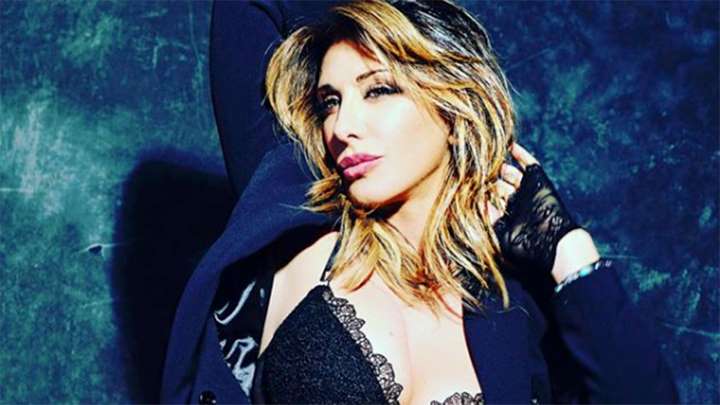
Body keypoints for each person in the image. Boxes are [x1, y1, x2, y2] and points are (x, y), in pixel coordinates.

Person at [161, 1, 680, 404]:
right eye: (330, 101)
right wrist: (376, 15)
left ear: (453, 106)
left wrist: (569, 251)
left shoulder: (513, 302)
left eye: (379, 90)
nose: (343, 126)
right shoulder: (295, 213)